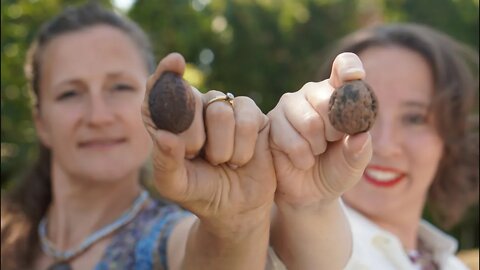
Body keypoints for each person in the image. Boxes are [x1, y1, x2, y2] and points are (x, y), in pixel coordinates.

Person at [0, 3, 277, 269]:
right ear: (41, 123)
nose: (99, 116)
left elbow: (217, 257)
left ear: (147, 100)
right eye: (69, 93)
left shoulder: (167, 240)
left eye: (119, 87)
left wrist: (236, 227)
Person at [267, 23, 478, 269]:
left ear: (450, 135)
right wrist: (306, 211)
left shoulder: (453, 264)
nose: (385, 145)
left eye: (415, 118)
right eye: (367, 109)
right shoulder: (297, 245)